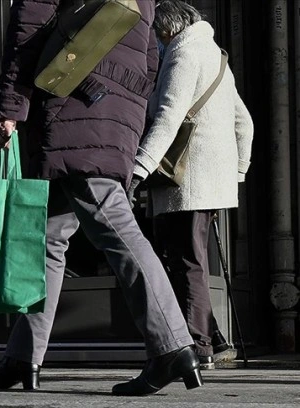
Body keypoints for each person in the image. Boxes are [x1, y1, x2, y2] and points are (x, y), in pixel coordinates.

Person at [0, 0, 202, 396]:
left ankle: (172, 346)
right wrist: (125, 105)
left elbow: (29, 31)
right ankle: (23, 355)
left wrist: (9, 109)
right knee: (47, 237)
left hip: (73, 103)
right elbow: (149, 57)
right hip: (112, 108)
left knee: (112, 223)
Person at [126, 0, 253, 370]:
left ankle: (199, 349)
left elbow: (168, 115)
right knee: (189, 259)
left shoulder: (182, 56)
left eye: (156, 37)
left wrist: (139, 167)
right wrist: (237, 173)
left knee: (185, 262)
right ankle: (213, 337)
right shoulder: (217, 58)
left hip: (186, 180)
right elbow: (244, 123)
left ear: (167, 31)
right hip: (208, 181)